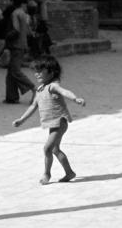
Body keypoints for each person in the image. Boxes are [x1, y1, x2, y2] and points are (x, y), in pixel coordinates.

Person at [12, 55, 85, 185]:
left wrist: (75, 98)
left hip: (59, 123)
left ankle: (47, 174)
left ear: (51, 72)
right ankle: (69, 172)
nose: (37, 74)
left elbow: (65, 91)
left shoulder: (53, 86)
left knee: (47, 149)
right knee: (55, 149)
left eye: (40, 71)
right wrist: (22, 119)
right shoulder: (40, 89)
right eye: (36, 71)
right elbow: (33, 106)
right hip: (52, 123)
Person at [4, 0, 36, 104]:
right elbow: (27, 31)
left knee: (15, 71)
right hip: (22, 44)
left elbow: (15, 30)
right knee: (11, 72)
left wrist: (6, 37)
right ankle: (11, 97)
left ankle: (34, 88)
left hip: (16, 45)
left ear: (12, 1)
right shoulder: (23, 13)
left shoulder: (15, 13)